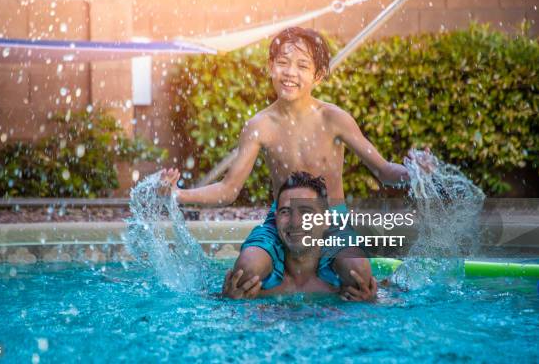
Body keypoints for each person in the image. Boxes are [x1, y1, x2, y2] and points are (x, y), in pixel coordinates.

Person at [160, 26, 432, 299]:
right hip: (283, 222)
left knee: (358, 273)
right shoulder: (260, 126)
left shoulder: (334, 119)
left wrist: (414, 173)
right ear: (270, 67)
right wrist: (178, 194)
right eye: (282, 63)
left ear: (319, 75)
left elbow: (384, 171)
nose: (290, 72)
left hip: (331, 221)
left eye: (302, 65)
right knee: (246, 270)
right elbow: (229, 189)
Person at [222, 171, 378, 299]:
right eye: (285, 212)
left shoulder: (341, 285)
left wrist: (371, 301)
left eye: (306, 212)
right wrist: (227, 299)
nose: (295, 223)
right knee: (245, 269)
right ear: (275, 218)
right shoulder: (257, 286)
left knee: (359, 270)